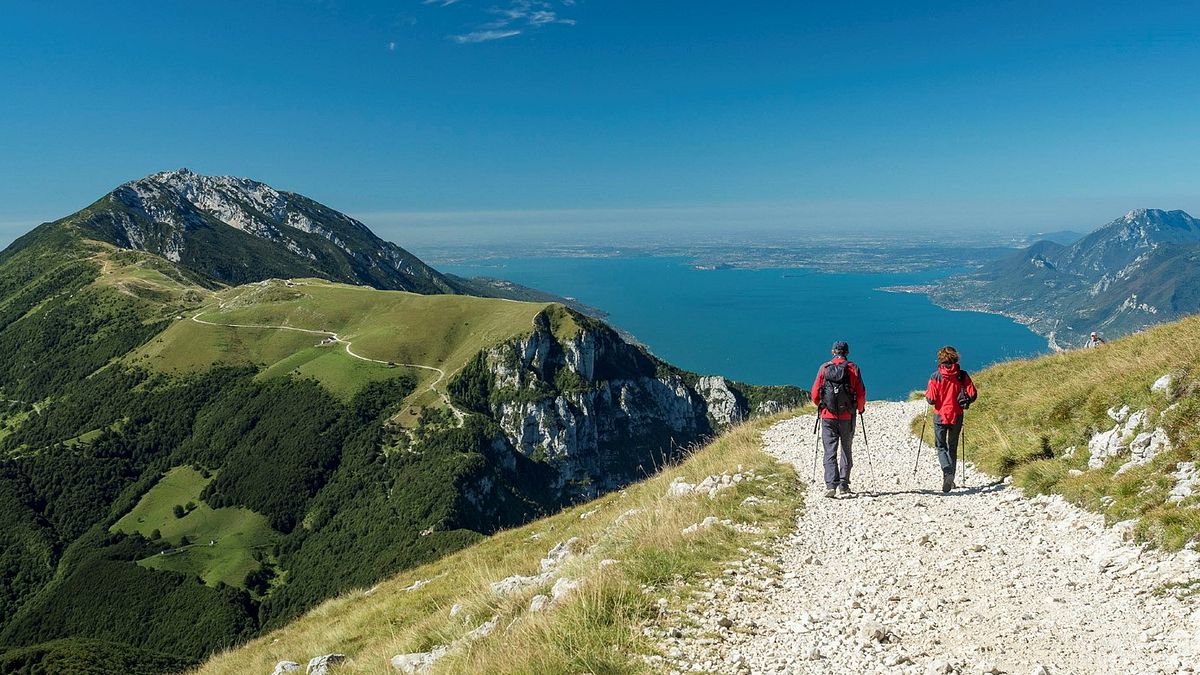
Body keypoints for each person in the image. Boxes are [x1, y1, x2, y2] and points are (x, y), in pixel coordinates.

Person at [810, 341, 867, 498]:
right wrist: (860, 408)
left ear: (833, 352)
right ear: (847, 352)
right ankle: (843, 484)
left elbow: (815, 393)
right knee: (846, 449)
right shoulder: (853, 368)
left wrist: (821, 406)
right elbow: (861, 393)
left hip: (828, 416)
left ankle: (830, 485)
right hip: (847, 416)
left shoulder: (824, 368)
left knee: (830, 450)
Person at [924, 346, 978, 493]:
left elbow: (931, 399)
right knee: (952, 447)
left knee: (941, 447)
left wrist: (927, 393)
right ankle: (950, 479)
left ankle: (947, 473)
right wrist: (964, 401)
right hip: (957, 416)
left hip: (940, 416)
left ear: (941, 359)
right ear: (956, 358)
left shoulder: (936, 376)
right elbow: (973, 394)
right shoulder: (962, 375)